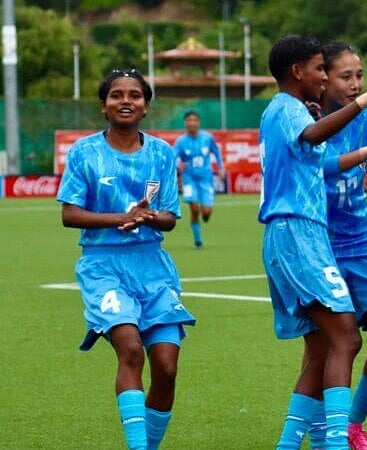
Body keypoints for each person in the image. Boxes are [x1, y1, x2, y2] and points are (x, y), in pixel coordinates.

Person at [258, 35, 367, 450]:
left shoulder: (299, 110)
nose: (352, 82)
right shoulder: (290, 111)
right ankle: (334, 437)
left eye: (360, 76)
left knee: (342, 343)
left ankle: (322, 435)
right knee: (342, 339)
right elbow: (312, 143)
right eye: (332, 72)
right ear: (299, 72)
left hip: (331, 238)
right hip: (301, 234)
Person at [56, 68, 195, 450]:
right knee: (131, 350)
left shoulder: (162, 153)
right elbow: (69, 214)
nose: (126, 101)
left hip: (152, 266)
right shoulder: (85, 151)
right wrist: (123, 217)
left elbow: (170, 217)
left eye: (135, 95)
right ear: (103, 105)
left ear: (146, 106)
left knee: (166, 367)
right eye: (116, 95)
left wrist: (150, 216)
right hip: (103, 266)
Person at [173, 111, 225, 249]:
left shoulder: (207, 138)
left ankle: (205, 215)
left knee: (206, 212)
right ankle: (198, 241)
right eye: (189, 120)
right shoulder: (181, 141)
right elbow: (172, 157)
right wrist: (177, 166)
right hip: (189, 179)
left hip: (206, 179)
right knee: (194, 208)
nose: (191, 123)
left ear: (198, 122)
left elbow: (217, 152)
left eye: (194, 120)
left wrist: (221, 168)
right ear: (185, 123)